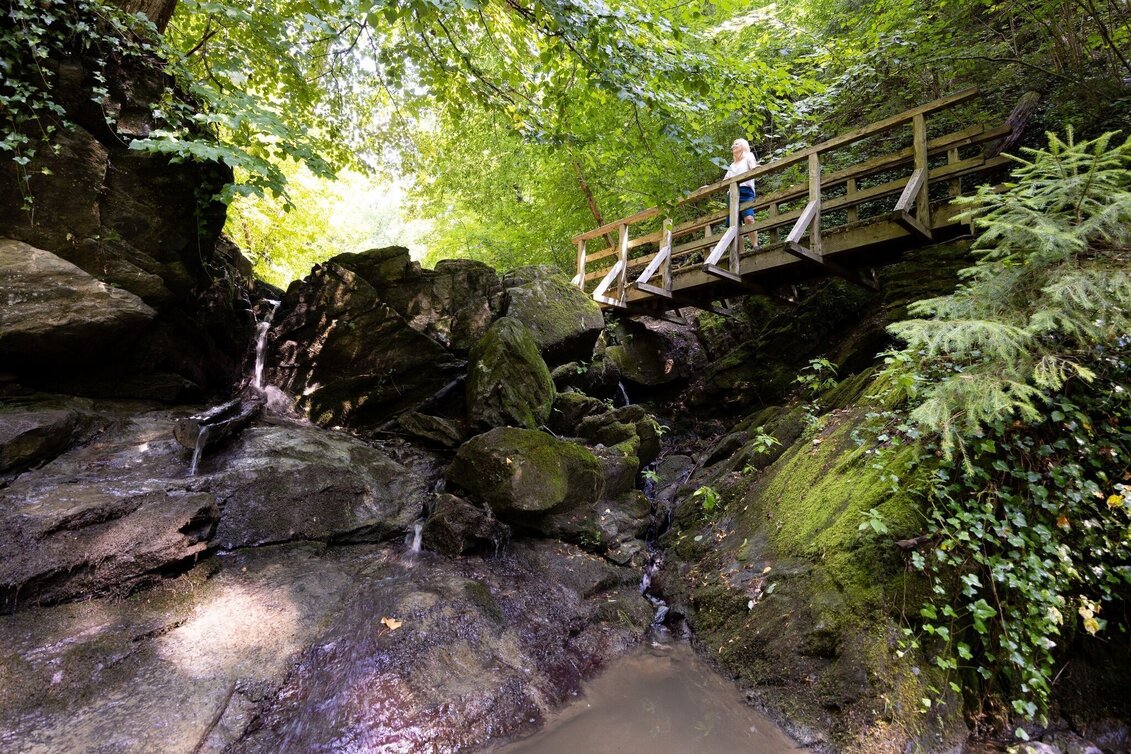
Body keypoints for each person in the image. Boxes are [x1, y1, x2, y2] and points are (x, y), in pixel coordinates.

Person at [724, 138, 758, 227]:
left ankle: (754, 242)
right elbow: (725, 181)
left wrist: (756, 168)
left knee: (749, 219)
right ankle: (738, 242)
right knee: (734, 224)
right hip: (731, 194)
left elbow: (753, 167)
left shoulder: (749, 156)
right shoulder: (732, 165)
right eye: (733, 144)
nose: (733, 146)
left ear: (743, 146)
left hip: (745, 191)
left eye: (737, 144)